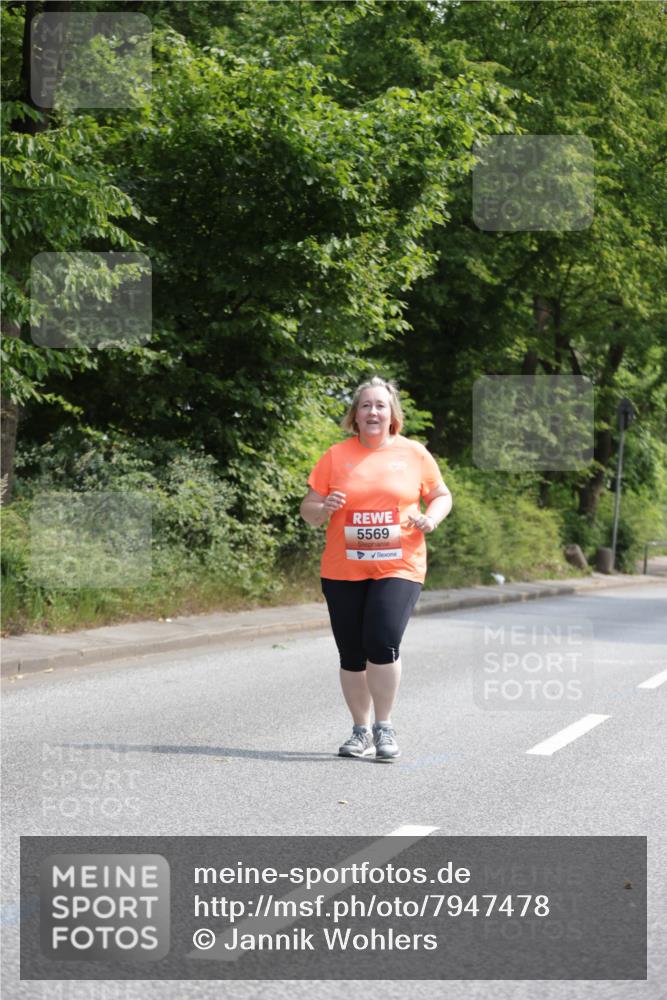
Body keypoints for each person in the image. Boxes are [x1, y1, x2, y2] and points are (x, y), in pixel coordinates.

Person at [300, 376, 452, 761]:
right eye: (365, 405)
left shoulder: (414, 453)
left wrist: (431, 519)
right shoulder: (336, 455)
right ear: (355, 414)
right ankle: (360, 730)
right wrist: (325, 508)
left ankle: (384, 727)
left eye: (380, 405)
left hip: (400, 564)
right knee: (351, 652)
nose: (373, 412)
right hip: (343, 567)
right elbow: (309, 512)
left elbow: (440, 495)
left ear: (392, 414)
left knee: (382, 640)